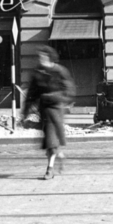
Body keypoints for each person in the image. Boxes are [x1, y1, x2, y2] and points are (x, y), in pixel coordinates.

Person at [23, 46, 75, 179]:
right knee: (49, 141)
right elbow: (31, 94)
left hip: (56, 109)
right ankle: (60, 156)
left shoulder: (60, 71)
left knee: (51, 141)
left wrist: (55, 97)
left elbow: (69, 90)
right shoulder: (37, 73)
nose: (40, 59)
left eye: (43, 56)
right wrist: (25, 113)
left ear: (49, 57)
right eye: (39, 56)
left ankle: (49, 170)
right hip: (44, 111)